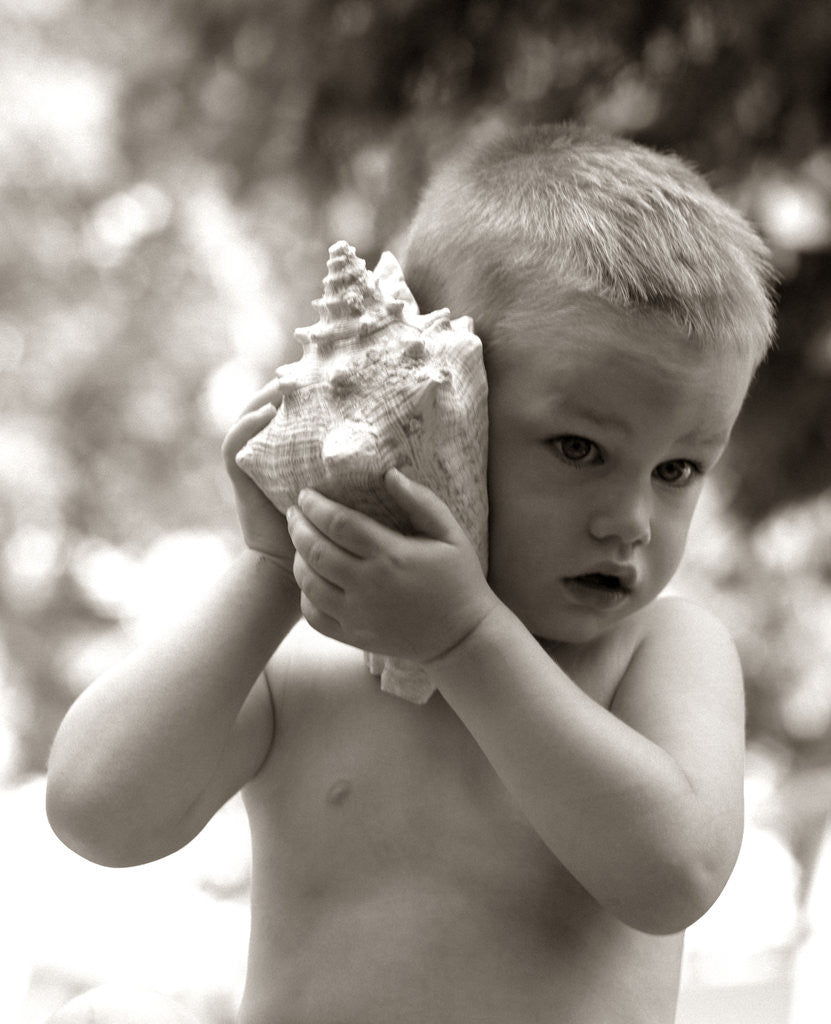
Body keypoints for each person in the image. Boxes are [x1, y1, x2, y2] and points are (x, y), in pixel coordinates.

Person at [45, 122, 775, 1024]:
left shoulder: (659, 650)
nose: (629, 520)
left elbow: (674, 876)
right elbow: (95, 813)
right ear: (448, 409)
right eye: (579, 448)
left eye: (677, 470)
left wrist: (468, 641)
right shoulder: (307, 661)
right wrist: (276, 565)